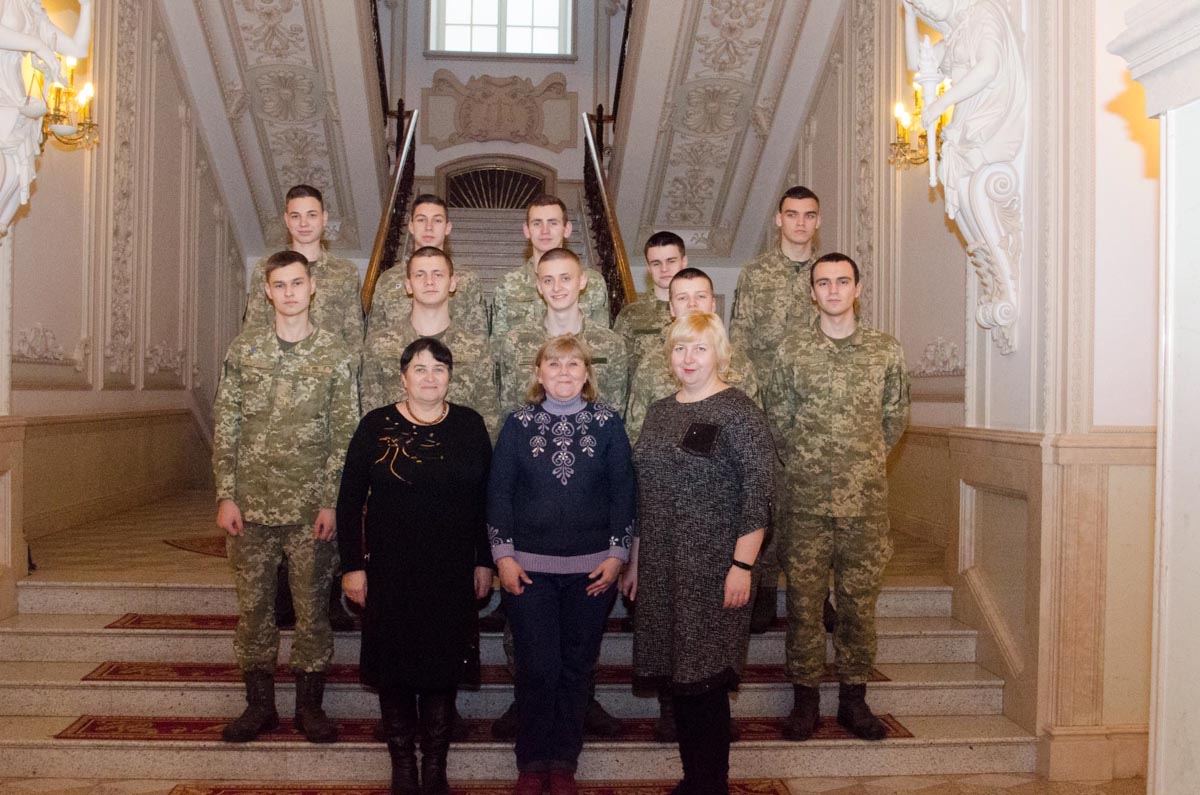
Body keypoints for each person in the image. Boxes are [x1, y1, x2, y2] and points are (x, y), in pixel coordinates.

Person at [212, 250, 359, 744]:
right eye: (280, 285)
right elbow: (227, 426)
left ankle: (309, 708)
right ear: (267, 292)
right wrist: (225, 495)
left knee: (313, 611)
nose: (290, 293)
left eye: (298, 283)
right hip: (250, 507)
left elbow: (344, 435)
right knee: (254, 610)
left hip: (309, 510)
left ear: (312, 287)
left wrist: (332, 502)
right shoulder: (245, 350)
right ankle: (259, 706)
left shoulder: (335, 353)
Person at [624, 312, 774, 795]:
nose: (688, 358)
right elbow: (644, 493)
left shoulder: (739, 412)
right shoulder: (659, 411)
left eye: (700, 348)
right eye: (679, 348)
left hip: (715, 571)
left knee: (705, 683)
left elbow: (758, 497)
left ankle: (712, 784)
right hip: (662, 568)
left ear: (720, 354)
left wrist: (742, 566)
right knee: (679, 681)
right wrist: (636, 562)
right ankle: (694, 780)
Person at [337, 337, 493, 795]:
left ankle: (436, 769)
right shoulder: (375, 424)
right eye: (419, 369)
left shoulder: (469, 425)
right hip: (389, 572)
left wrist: (485, 561)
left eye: (439, 368)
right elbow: (349, 501)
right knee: (396, 669)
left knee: (442, 668)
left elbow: (486, 501)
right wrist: (352, 566)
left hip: (450, 571)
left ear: (450, 377)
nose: (429, 377)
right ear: (403, 377)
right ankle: (403, 768)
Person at [764, 253, 910, 742]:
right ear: (812, 292)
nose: (832, 290)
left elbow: (894, 418)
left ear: (857, 288)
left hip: (864, 505)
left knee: (857, 606)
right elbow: (777, 420)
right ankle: (804, 700)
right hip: (804, 503)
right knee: (805, 606)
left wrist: (859, 462)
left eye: (842, 281)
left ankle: (854, 699)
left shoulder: (885, 351)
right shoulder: (791, 351)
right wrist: (809, 463)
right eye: (823, 282)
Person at [488, 335, 635, 795]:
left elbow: (624, 493)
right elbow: (499, 493)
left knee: (576, 669)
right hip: (527, 572)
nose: (564, 373)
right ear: (539, 373)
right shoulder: (518, 423)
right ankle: (532, 763)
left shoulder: (608, 423)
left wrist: (617, 555)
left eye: (574, 365)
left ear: (587, 373)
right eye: (554, 364)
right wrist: (502, 556)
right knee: (537, 668)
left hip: (593, 574)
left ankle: (564, 762)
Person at [728, 185, 822, 633]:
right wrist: (745, 403)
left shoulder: (828, 274)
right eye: (793, 214)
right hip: (765, 405)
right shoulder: (756, 273)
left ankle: (817, 596)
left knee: (812, 506)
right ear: (779, 220)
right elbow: (740, 336)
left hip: (814, 410)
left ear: (818, 221)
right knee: (765, 500)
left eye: (809, 215)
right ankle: (763, 590)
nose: (801, 222)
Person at [361, 246, 500, 435]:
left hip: (456, 447)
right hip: (396, 448)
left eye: (438, 275)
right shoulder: (379, 345)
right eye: (420, 275)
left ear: (452, 283)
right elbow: (371, 415)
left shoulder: (476, 348)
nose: (429, 282)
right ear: (408, 285)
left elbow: (488, 418)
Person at [625, 267, 760, 443]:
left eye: (700, 296)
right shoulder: (651, 366)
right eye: (682, 298)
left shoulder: (740, 363)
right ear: (671, 308)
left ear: (713, 304)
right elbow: (636, 436)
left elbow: (755, 433)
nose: (692, 304)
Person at [497, 247, 629, 416]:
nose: (556, 288)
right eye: (548, 280)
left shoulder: (611, 343)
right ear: (539, 286)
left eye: (565, 278)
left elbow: (615, 412)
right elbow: (509, 410)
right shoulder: (516, 341)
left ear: (582, 281)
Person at [0, 0, 93, 231]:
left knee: (14, 174)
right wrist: (37, 45)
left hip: (14, 96)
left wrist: (87, 7)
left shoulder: (34, 14)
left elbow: (78, 49)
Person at [243, 184, 364, 350]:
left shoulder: (345, 272)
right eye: (295, 216)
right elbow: (252, 330)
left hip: (328, 363)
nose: (303, 223)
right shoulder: (265, 268)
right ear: (286, 220)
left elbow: (354, 338)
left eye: (311, 215)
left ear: (324, 218)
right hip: (276, 363)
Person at [368, 194, 489, 338]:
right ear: (411, 226)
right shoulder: (388, 279)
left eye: (437, 220)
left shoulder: (467, 279)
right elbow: (374, 337)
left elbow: (479, 337)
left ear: (447, 227)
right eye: (421, 220)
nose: (429, 227)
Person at [490, 195, 610, 339]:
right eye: (537, 223)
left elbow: (601, 340)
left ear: (567, 229)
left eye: (553, 223)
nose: (545, 231)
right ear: (527, 230)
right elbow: (498, 345)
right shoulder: (507, 284)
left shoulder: (593, 282)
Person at [613, 231, 688, 376]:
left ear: (683, 262)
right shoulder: (631, 315)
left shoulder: (698, 310)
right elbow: (619, 370)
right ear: (648, 268)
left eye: (671, 261)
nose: (664, 269)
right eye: (656, 263)